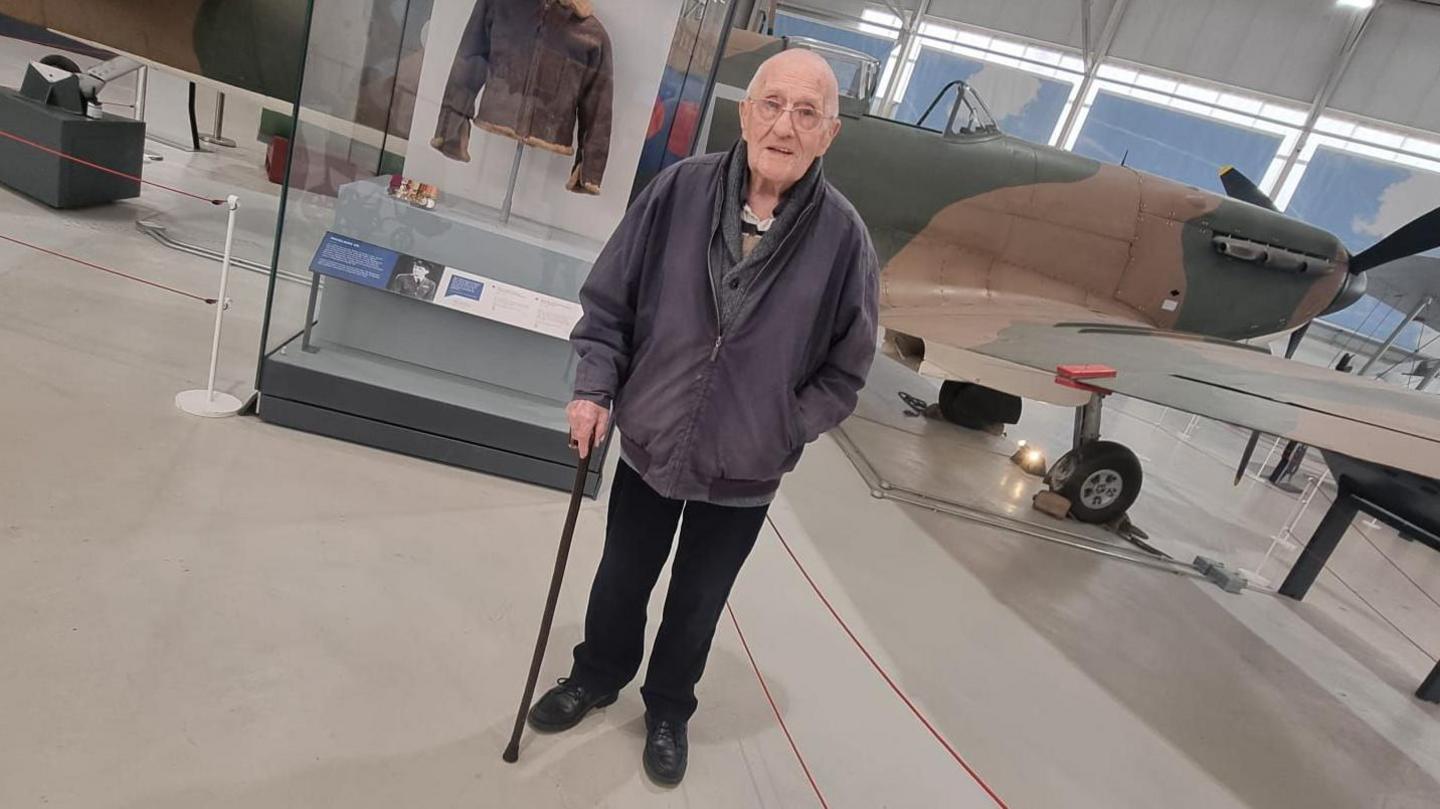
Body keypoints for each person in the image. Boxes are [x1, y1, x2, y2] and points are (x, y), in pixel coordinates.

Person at [527, 48, 879, 787]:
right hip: (652, 439)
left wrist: (784, 424)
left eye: (807, 112)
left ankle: (667, 708)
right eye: (773, 105)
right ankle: (596, 675)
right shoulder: (679, 191)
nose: (786, 125)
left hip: (746, 467)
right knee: (621, 577)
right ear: (746, 114)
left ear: (829, 134)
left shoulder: (845, 240)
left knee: (698, 600)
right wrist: (594, 389)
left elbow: (847, 370)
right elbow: (608, 306)